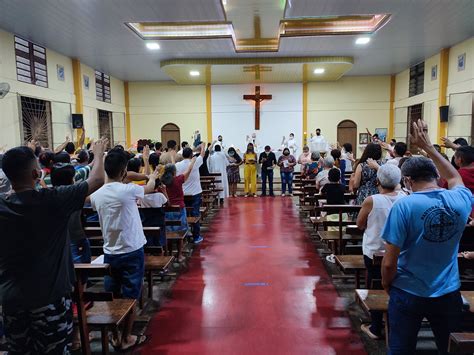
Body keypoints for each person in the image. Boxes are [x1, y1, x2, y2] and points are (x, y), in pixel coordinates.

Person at [0, 139, 106, 354]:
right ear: (36, 174)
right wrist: (99, 153)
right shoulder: (52, 200)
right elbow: (96, 179)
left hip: (12, 299)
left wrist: (27, 154)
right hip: (47, 298)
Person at [381, 120, 472, 354]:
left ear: (408, 180)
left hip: (408, 289)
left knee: (401, 348)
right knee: (449, 348)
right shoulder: (460, 200)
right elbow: (455, 178)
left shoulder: (404, 206)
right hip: (448, 290)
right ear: (435, 174)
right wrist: (429, 148)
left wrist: (386, 283)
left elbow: (390, 260)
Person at [356, 164, 405, 340]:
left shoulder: (372, 200)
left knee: (375, 286)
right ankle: (395, 320)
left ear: (377, 181)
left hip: (375, 250)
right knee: (398, 286)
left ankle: (376, 326)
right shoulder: (405, 197)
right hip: (400, 252)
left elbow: (360, 224)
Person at [162, 161, 196, 260]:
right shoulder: (178, 179)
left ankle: (168, 254)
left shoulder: (162, 181)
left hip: (167, 210)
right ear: (174, 172)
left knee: (167, 232)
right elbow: (188, 170)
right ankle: (179, 255)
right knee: (180, 232)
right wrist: (192, 162)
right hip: (179, 208)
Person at [176, 144, 206, 244]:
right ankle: (196, 236)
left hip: (182, 193)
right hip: (195, 192)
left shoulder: (177, 165)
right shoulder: (195, 162)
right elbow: (202, 154)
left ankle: (185, 233)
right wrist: (203, 146)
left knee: (184, 214)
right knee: (195, 213)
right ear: (191, 155)